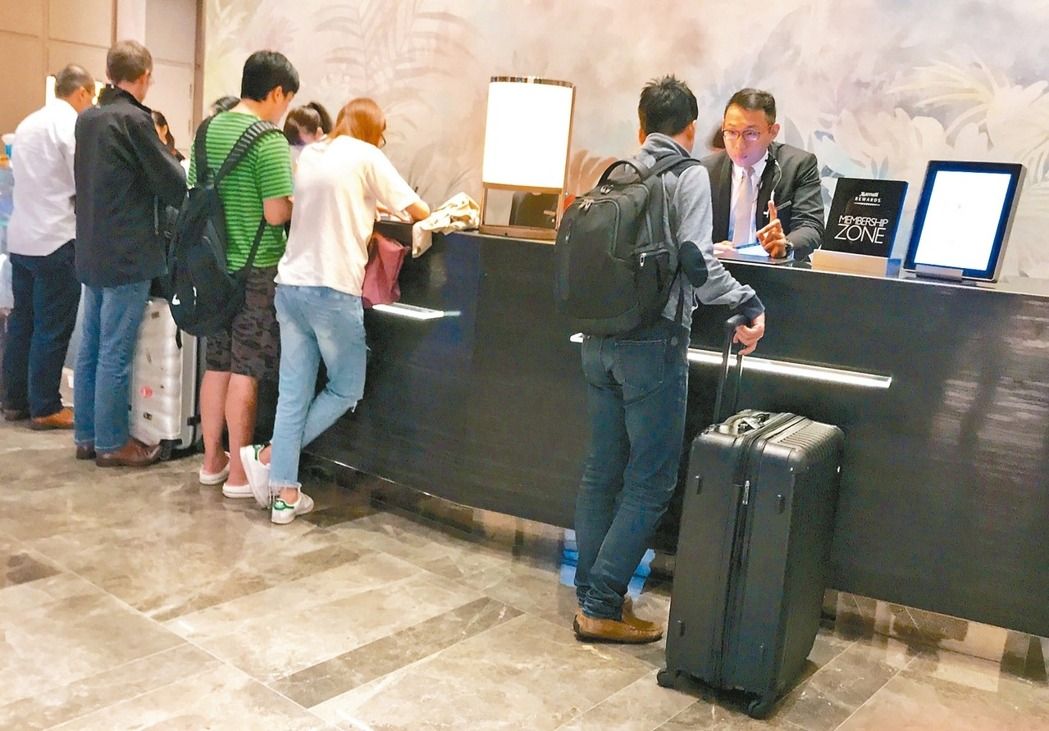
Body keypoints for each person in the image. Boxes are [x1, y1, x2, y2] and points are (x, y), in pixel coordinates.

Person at [572, 76, 766, 644]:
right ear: (692, 129)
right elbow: (697, 262)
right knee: (651, 481)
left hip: (598, 340)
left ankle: (592, 593)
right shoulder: (688, 175)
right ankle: (601, 605)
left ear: (641, 129)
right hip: (653, 345)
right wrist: (747, 302)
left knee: (601, 473)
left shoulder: (617, 174)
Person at [239, 98, 429, 524]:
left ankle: (284, 492)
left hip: (290, 286)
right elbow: (420, 211)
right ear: (374, 130)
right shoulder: (366, 156)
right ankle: (271, 458)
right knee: (346, 387)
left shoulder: (312, 154)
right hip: (332, 290)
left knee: (294, 393)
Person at [73, 41, 187, 467]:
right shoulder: (136, 120)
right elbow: (173, 183)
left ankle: (86, 437)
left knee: (91, 347)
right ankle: (111, 443)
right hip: (127, 252)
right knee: (115, 352)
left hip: (91, 246)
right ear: (145, 76)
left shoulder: (87, 119)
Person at [193, 51, 298, 498]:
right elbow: (275, 214)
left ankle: (210, 461)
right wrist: (295, 202)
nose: (285, 109)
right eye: (287, 100)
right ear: (275, 92)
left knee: (216, 362)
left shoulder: (207, 130)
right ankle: (239, 473)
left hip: (211, 267)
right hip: (257, 269)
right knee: (246, 369)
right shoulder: (268, 140)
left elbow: (195, 193)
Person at [1, 64, 96, 430]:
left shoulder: (28, 124)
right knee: (52, 327)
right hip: (56, 237)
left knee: (22, 322)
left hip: (22, 238)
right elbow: (82, 179)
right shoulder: (71, 126)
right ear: (83, 92)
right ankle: (44, 406)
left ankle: (14, 400)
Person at [700, 88, 824, 260]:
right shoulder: (705, 170)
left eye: (750, 134)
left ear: (773, 132)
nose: (739, 144)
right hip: (719, 270)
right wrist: (707, 249)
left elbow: (810, 226)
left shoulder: (797, 166)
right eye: (731, 132)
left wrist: (785, 245)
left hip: (774, 271)